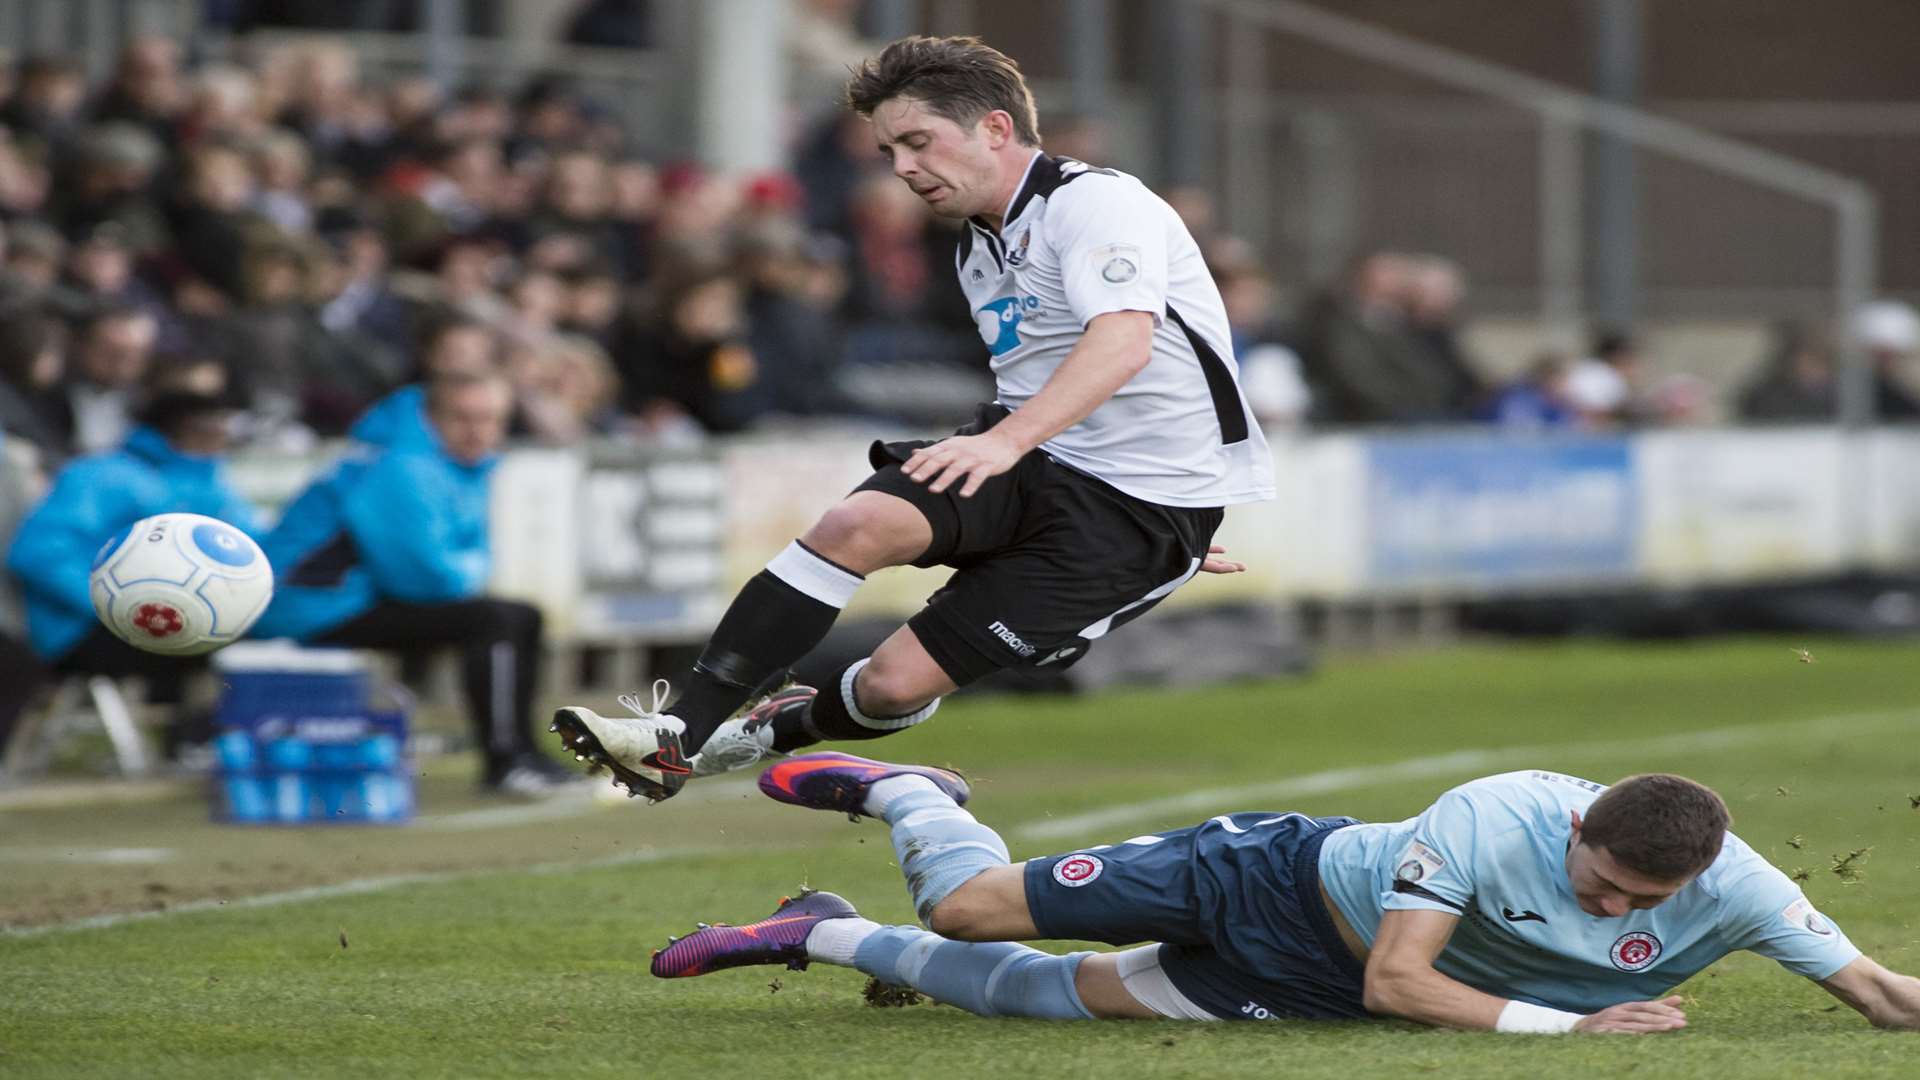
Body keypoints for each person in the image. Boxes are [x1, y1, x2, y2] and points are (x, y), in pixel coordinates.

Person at [550, 36, 1271, 801]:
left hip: (1135, 508)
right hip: (1039, 454)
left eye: (918, 143)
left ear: (995, 129)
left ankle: (767, 733)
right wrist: (1007, 441)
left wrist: (1163, 515)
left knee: (893, 685)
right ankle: (680, 735)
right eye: (889, 150)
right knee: (852, 527)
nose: (902, 169)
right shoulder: (979, 249)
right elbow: (1046, 383)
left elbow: (1123, 343)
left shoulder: (1094, 202)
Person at [650, 755, 1920, 1031]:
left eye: (1639, 905)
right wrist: (1571, 1027)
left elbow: (1876, 990)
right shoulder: (1496, 812)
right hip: (1268, 876)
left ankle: (820, 933)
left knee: (1052, 1006)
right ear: (1578, 827)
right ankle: (907, 794)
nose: (1605, 912)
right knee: (972, 911)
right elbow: (1400, 981)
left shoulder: (1738, 893)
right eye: (1596, 883)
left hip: (1303, 981)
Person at [252, 369, 574, 797]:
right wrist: (468, 572)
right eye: (464, 418)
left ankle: (524, 752)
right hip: (307, 609)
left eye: (491, 419)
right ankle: (506, 759)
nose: (479, 431)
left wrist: (465, 571)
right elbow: (425, 578)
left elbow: (456, 559)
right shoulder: (401, 466)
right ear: (433, 420)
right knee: (494, 619)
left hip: (349, 599)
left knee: (520, 616)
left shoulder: (450, 466)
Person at [1, 387, 257, 756]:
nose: (222, 441)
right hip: (82, 631)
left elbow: (251, 550)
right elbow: (37, 553)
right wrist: (116, 604)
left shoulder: (215, 485)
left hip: (176, 619)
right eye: (213, 430)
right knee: (221, 640)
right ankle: (199, 746)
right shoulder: (101, 475)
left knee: (260, 630)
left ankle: (217, 748)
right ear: (181, 429)